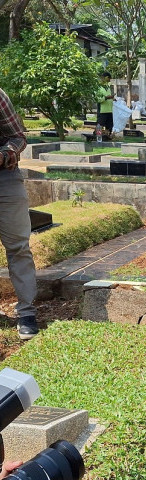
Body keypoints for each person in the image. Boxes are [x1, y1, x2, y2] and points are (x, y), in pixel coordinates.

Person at [0, 87, 38, 340]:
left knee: (18, 247)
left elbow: (18, 137)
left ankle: (26, 312)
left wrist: (5, 154)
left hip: (4, 179)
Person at [96, 71, 114, 140]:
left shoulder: (107, 87)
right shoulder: (99, 88)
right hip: (102, 110)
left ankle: (108, 137)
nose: (110, 80)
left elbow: (109, 96)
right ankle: (98, 137)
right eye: (109, 78)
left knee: (110, 125)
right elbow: (98, 99)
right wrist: (107, 98)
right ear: (106, 78)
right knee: (100, 125)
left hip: (109, 110)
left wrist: (112, 99)